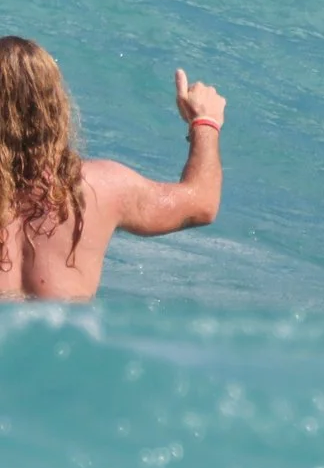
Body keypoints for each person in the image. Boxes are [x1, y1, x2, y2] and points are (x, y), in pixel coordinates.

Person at [0, 37, 224, 302]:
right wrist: (205, 122)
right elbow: (202, 203)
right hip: (66, 339)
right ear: (56, 107)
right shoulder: (103, 188)